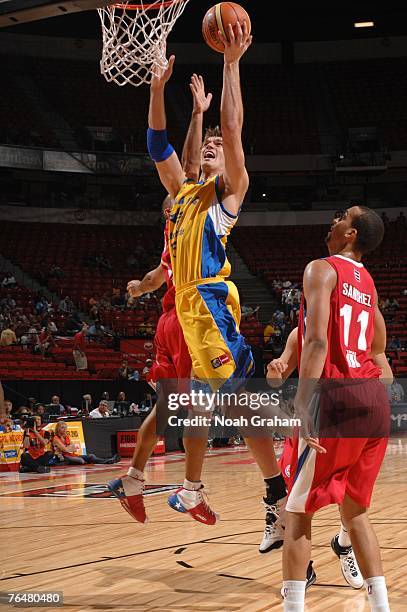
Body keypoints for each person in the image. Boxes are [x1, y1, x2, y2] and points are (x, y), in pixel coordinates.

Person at [111, 35, 288, 545]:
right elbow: (156, 146)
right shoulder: (182, 193)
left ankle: (228, 489)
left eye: (216, 148)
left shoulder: (226, 193)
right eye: (205, 146)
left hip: (209, 304)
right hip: (193, 309)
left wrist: (231, 63)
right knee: (233, 401)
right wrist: (156, 87)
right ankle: (267, 490)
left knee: (223, 402)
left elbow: (232, 129)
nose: (211, 146)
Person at [281, 207, 391, 612]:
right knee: (356, 512)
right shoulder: (369, 283)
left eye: (342, 217)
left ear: (351, 233)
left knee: (297, 513)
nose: (333, 220)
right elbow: (378, 354)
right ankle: (382, 606)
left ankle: (293, 606)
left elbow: (317, 343)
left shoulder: (321, 269)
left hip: (337, 398)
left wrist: (303, 399)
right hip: (373, 400)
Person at [267, 325, 393, 592]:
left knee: (351, 502)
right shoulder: (299, 333)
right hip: (313, 418)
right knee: (297, 502)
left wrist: (359, 379)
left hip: (352, 413)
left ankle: (344, 545)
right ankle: (304, 569)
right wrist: (274, 371)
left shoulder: (359, 328)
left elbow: (387, 376)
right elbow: (276, 380)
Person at [53, 421, 119, 465]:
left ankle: (109, 461)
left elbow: (74, 448)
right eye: (62, 428)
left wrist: (68, 448)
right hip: (64, 457)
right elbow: (65, 450)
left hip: (71, 455)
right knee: (81, 461)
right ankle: (106, 461)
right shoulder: (56, 438)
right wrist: (69, 448)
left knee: (91, 456)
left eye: (65, 427)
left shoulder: (66, 437)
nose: (64, 429)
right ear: (58, 429)